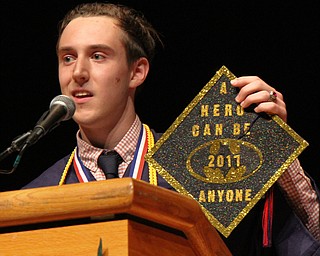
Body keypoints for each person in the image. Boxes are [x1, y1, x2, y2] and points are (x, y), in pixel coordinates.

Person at [22, 2, 320, 255]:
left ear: (137, 72)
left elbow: (308, 243)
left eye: (98, 55)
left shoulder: (201, 162)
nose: (78, 73)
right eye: (68, 58)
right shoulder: (35, 197)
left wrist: (276, 147)